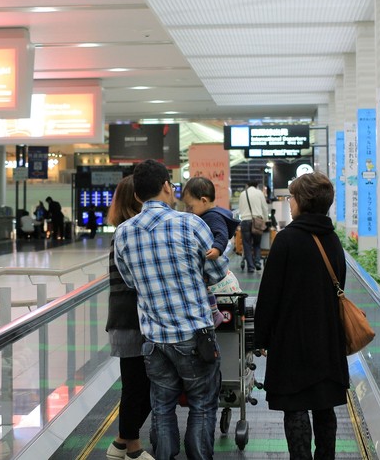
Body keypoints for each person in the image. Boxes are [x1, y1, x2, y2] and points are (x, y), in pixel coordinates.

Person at [114, 159, 228, 460]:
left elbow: (129, 280)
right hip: (194, 336)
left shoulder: (123, 233)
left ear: (137, 196)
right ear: (167, 186)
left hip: (154, 340)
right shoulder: (191, 224)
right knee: (202, 404)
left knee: (162, 407)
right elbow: (217, 273)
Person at [254, 172, 349, 460]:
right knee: (324, 405)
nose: (289, 202)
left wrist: (261, 337)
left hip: (292, 339)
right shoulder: (332, 239)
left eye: (292, 197)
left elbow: (269, 293)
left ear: (303, 201)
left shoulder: (287, 240)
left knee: (295, 405)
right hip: (327, 338)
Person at [105, 176, 154, 460]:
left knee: (140, 383)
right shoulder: (128, 232)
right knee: (137, 385)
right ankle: (132, 448)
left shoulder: (127, 230)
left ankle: (122, 443)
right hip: (130, 319)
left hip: (130, 318)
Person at [180, 177, 242, 326]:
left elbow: (221, 234)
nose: (188, 211)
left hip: (219, 280)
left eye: (190, 207)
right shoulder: (212, 214)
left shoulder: (212, 217)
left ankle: (215, 314)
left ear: (203, 200)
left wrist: (217, 249)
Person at [237, 180, 268, 272]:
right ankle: (258, 262)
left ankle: (250, 266)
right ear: (257, 185)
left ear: (247, 185)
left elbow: (240, 208)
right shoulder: (259, 193)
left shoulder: (243, 194)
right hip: (257, 220)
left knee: (247, 244)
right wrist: (265, 220)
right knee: (257, 243)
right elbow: (264, 208)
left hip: (245, 221)